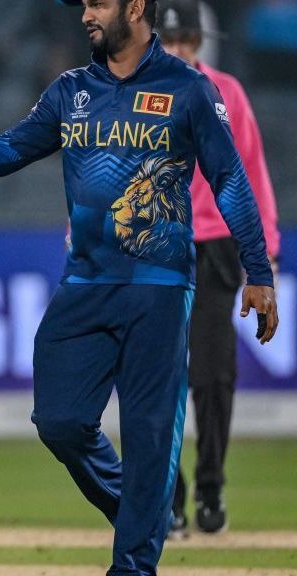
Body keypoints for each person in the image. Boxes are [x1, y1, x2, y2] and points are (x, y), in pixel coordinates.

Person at [0, 0, 278, 573]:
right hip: (85, 281)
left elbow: (230, 178)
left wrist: (257, 271)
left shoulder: (188, 89)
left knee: (150, 436)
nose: (86, 14)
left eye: (98, 3)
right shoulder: (71, 90)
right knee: (59, 421)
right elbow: (11, 148)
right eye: (84, 4)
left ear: (136, 7)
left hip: (159, 288)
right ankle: (143, 514)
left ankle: (133, 562)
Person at [155, 0, 281, 538]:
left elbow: (252, 173)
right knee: (156, 377)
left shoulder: (227, 92)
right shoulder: (135, 95)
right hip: (156, 243)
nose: (179, 49)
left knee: (212, 376)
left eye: (186, 40)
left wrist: (265, 251)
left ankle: (209, 487)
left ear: (199, 42)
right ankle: (168, 496)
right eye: (169, 40)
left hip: (216, 246)